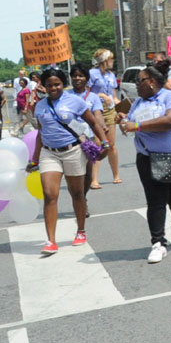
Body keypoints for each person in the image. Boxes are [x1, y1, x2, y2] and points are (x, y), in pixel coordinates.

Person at [24, 68, 109, 254]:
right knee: (49, 194)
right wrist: (35, 159)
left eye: (57, 84)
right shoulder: (40, 106)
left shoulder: (75, 101)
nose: (53, 88)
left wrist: (104, 142)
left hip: (73, 151)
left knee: (77, 193)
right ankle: (51, 241)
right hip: (49, 153)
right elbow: (40, 133)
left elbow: (93, 122)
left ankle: (80, 231)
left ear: (63, 84)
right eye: (49, 85)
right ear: (44, 87)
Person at [118, 66, 171, 263]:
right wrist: (125, 122)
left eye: (139, 81)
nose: (136, 85)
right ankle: (158, 242)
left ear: (151, 81)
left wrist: (139, 126)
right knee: (155, 201)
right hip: (148, 158)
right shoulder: (138, 103)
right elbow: (130, 121)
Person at [68, 63, 106, 198]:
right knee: (75, 174)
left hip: (87, 139)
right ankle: (79, 200)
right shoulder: (66, 96)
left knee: (88, 174)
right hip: (70, 139)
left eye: (81, 76)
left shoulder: (93, 97)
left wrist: (102, 130)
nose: (77, 78)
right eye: (74, 76)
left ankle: (82, 197)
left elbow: (98, 116)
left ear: (86, 79)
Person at [88, 49, 123, 186]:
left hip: (110, 111)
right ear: (103, 60)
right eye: (110, 59)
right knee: (99, 145)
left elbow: (114, 97)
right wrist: (101, 96)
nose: (112, 61)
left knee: (111, 144)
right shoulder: (92, 74)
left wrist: (123, 108)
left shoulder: (111, 75)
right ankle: (94, 179)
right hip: (96, 111)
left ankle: (116, 175)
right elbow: (86, 93)